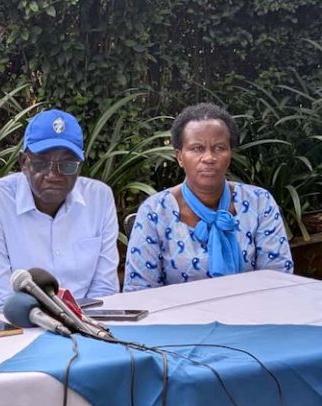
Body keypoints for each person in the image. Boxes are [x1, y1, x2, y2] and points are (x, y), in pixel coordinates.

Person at [124, 103, 294, 291]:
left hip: (251, 314)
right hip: (178, 318)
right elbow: (139, 292)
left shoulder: (259, 202)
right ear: (180, 157)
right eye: (197, 148)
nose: (209, 158)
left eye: (219, 147)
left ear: (231, 154)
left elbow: (278, 280)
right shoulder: (155, 212)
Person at [0, 109, 120, 310]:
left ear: (79, 166)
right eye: (41, 163)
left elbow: (104, 292)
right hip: (5, 328)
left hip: (84, 323)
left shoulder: (100, 198)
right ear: (23, 162)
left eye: (67, 165)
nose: (53, 174)